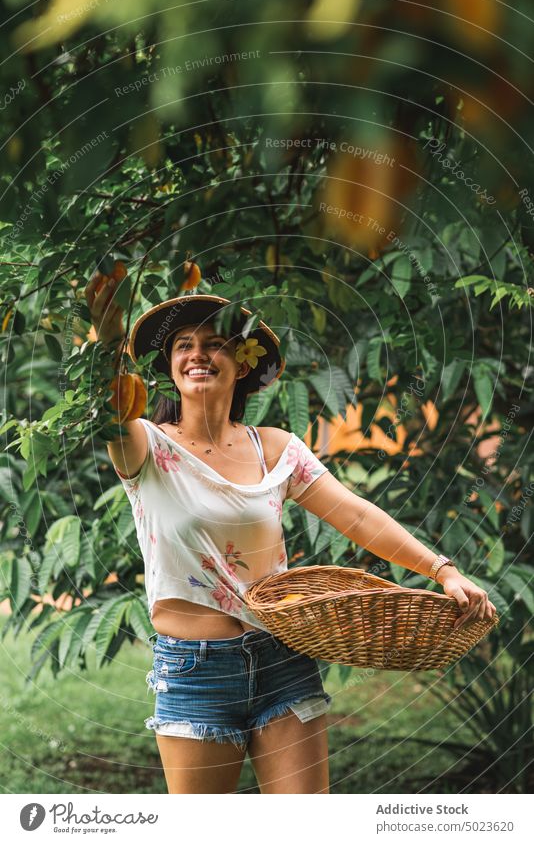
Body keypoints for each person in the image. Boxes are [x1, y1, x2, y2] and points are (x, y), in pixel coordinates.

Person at [85, 273, 497, 794]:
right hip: (196, 673)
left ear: (242, 364)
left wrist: (443, 569)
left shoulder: (276, 448)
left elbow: (357, 516)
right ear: (169, 368)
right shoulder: (145, 446)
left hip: (284, 658)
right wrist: (105, 340)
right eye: (183, 345)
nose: (197, 354)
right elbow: (106, 411)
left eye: (215, 344)